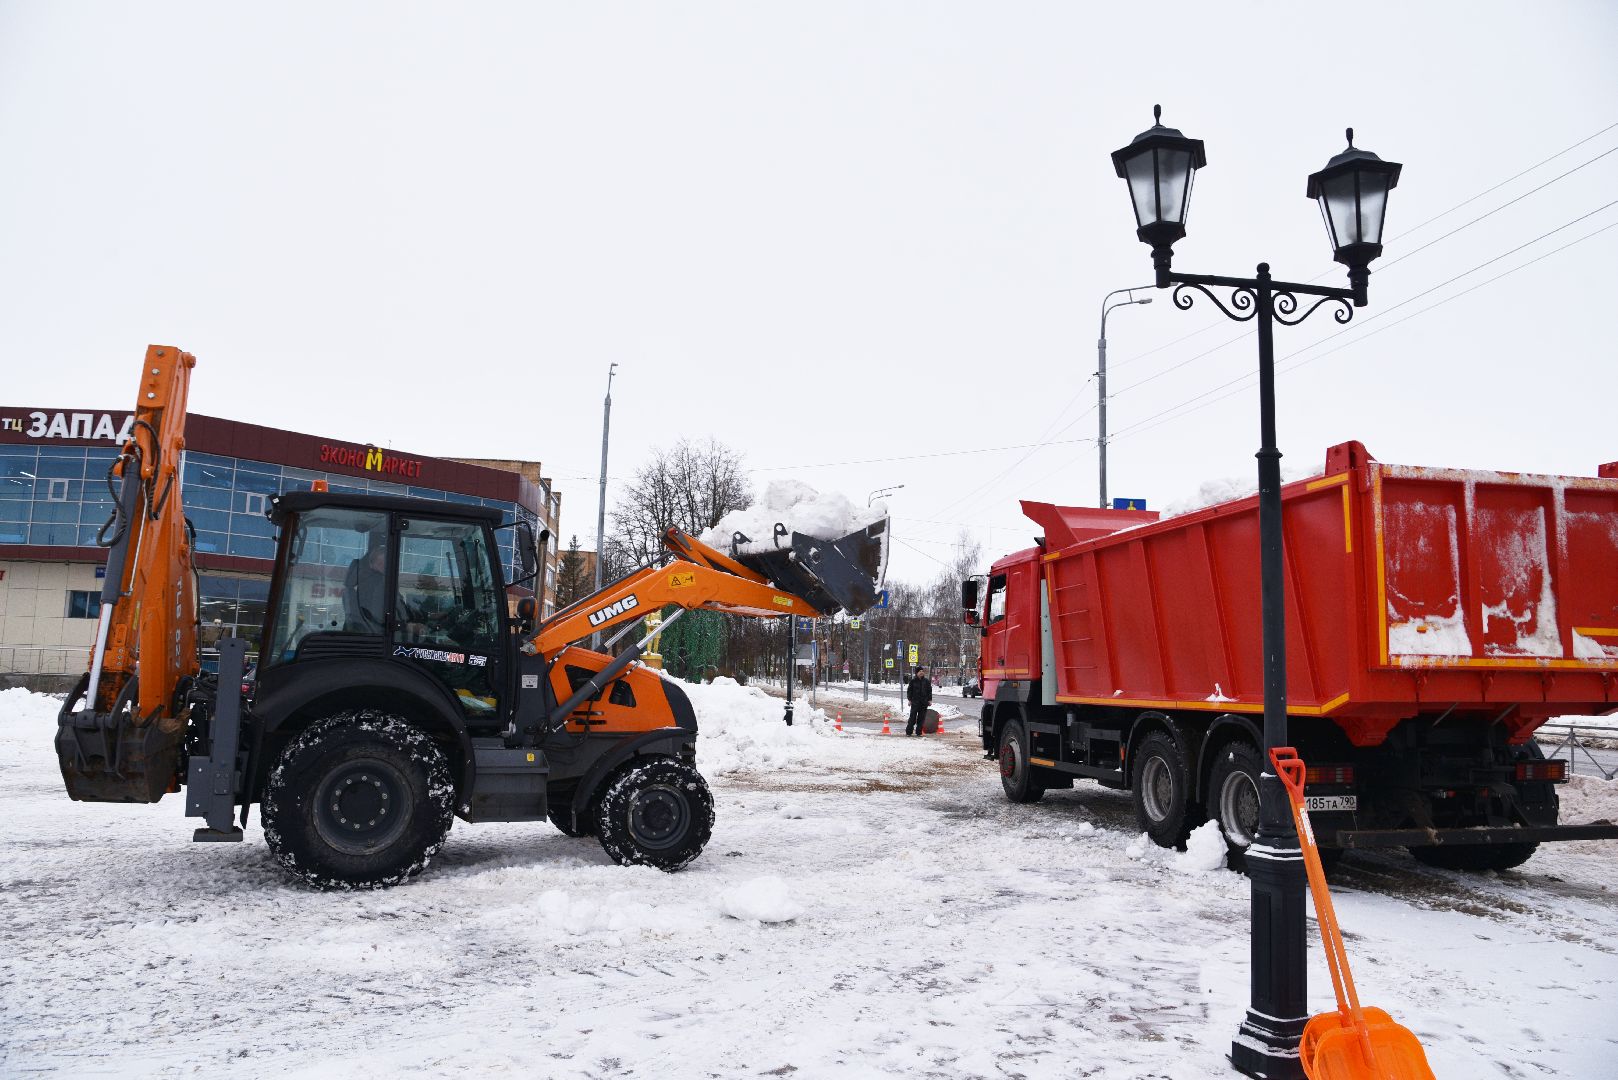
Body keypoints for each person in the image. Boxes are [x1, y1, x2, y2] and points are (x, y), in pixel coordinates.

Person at [905, 665, 933, 736]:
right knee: (912, 718)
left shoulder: (926, 681)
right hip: (915, 703)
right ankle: (909, 732)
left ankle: (919, 732)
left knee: (921, 719)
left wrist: (929, 700)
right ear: (917, 673)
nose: (921, 672)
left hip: (924, 703)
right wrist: (910, 700)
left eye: (922, 671)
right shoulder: (913, 681)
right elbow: (909, 691)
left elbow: (929, 691)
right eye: (920, 671)